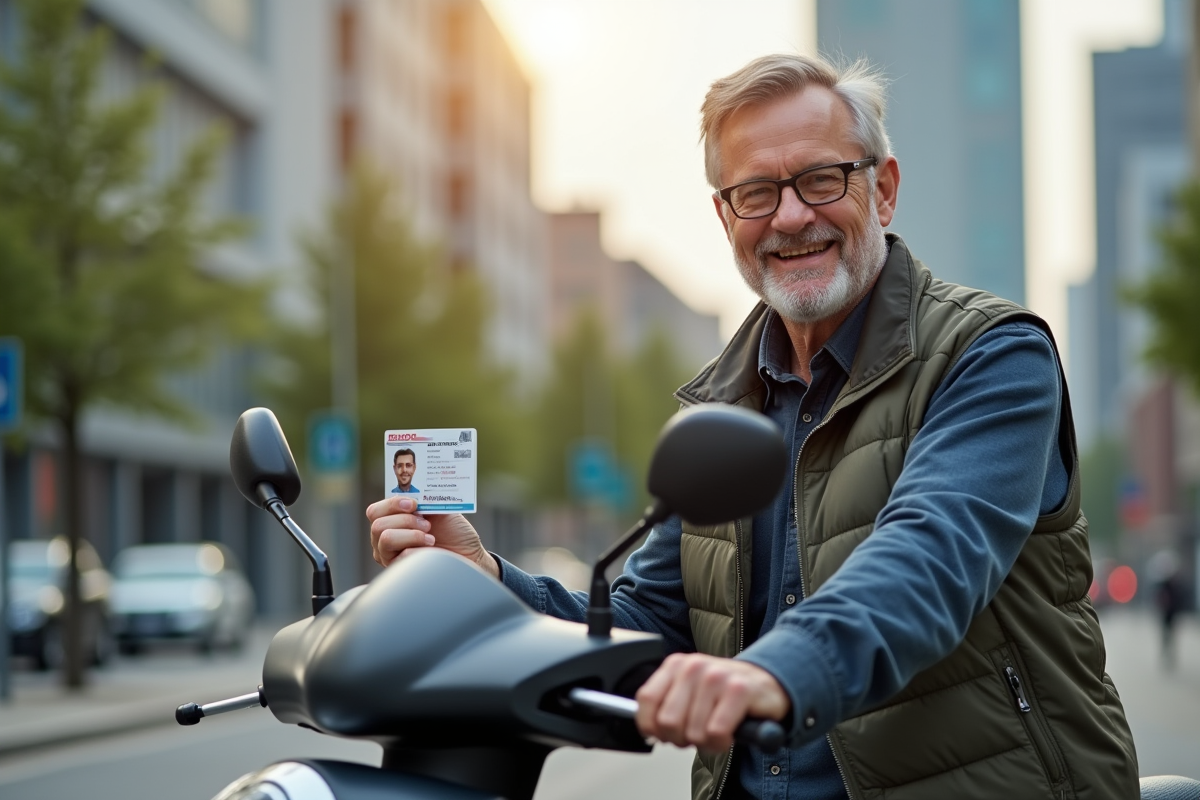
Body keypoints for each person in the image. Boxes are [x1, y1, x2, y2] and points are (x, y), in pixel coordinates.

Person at [366, 53, 1139, 800]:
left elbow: (930, 559)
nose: (791, 215)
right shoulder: (716, 411)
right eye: (757, 192)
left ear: (885, 189)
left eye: (820, 178)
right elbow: (646, 625)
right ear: (724, 215)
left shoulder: (991, 355)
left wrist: (773, 672)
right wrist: (493, 582)